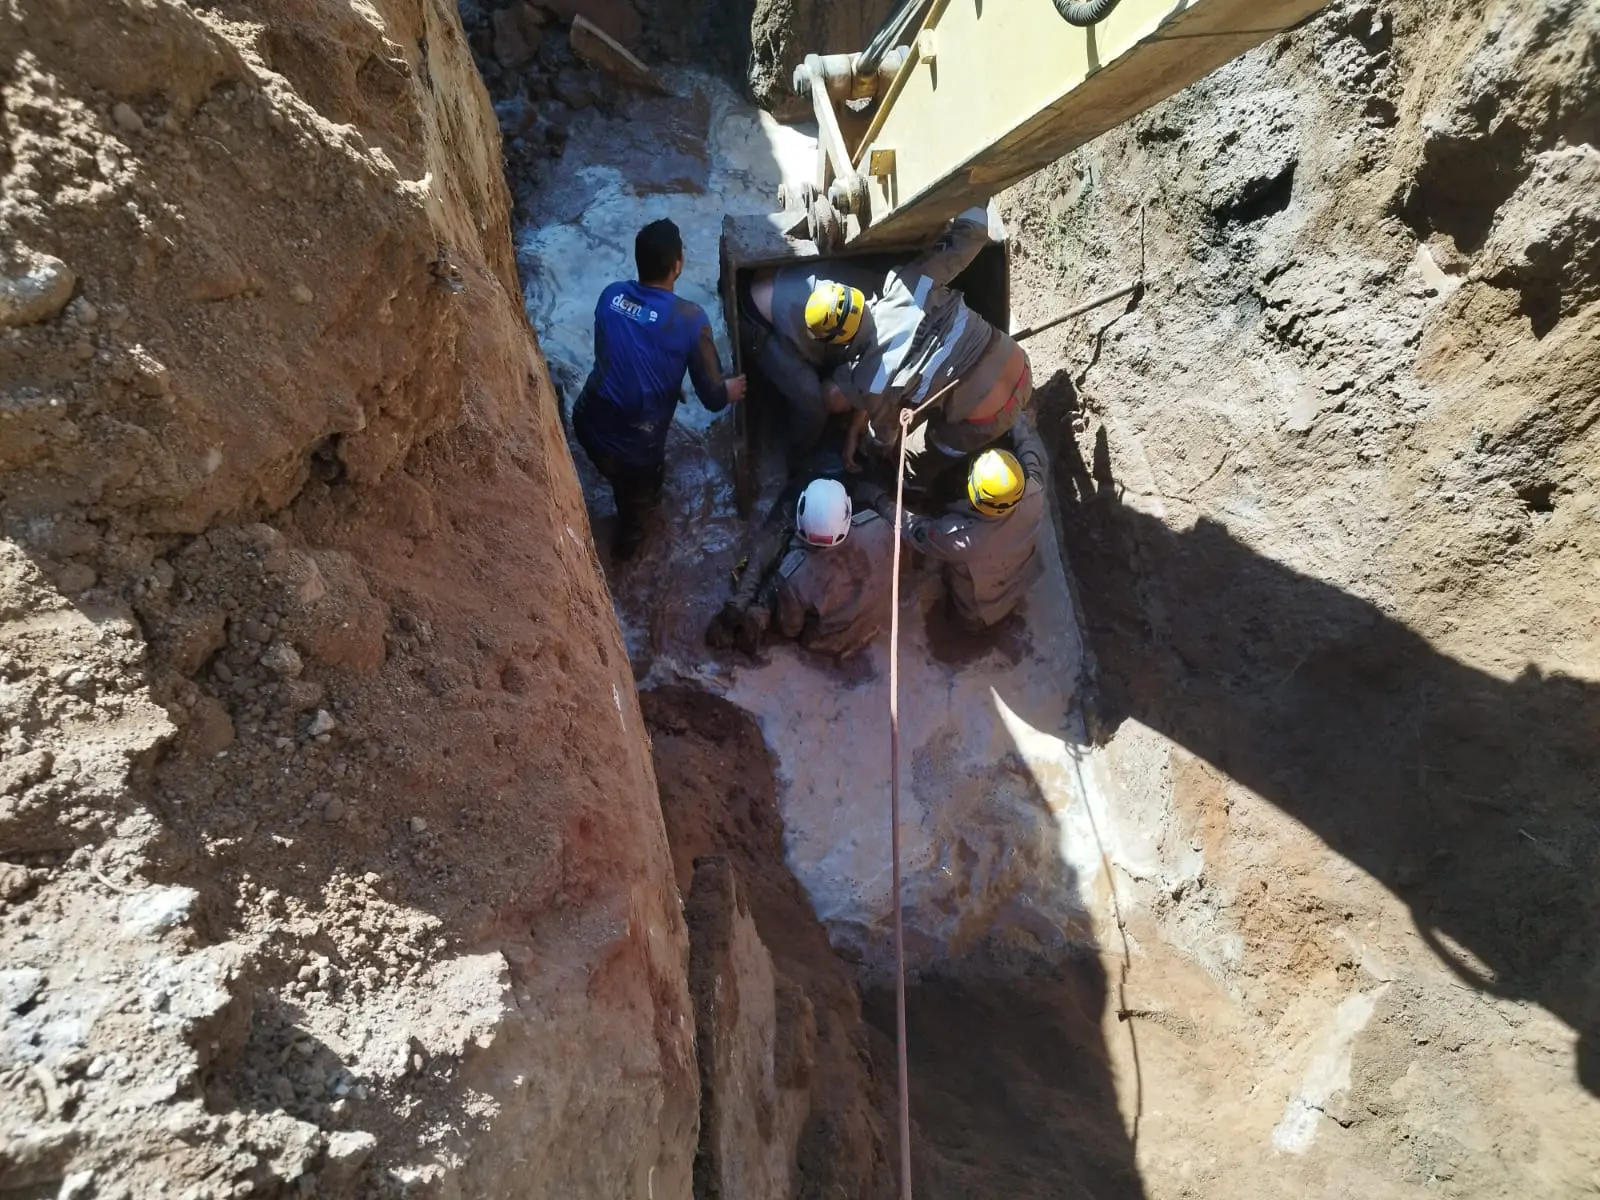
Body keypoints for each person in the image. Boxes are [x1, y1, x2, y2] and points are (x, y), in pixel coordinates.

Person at [822, 204, 1032, 494]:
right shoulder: (910, 283)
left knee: (914, 456)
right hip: (1021, 368)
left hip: (990, 421)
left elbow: (887, 436)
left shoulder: (870, 379)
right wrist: (973, 194)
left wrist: (869, 445)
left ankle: (918, 489)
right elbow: (970, 238)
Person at [571, 218, 746, 560]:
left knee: (616, 471)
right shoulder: (691, 319)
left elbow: (613, 356)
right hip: (635, 452)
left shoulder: (611, 296)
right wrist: (730, 389)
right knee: (638, 507)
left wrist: (667, 380)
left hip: (587, 424)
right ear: (677, 266)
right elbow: (711, 398)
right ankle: (625, 549)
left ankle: (611, 484)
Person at [854, 412, 1047, 631]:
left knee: (963, 619)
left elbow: (912, 528)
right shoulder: (1034, 491)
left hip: (977, 611)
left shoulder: (960, 539)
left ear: (973, 492)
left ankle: (963, 629)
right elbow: (1027, 445)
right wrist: (1012, 415)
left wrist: (877, 499)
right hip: (1020, 580)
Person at [706, 477, 894, 661]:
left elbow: (790, 629)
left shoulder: (796, 576)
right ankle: (747, 610)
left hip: (824, 640)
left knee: (780, 575)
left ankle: (753, 609)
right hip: (872, 622)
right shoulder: (880, 527)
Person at [736, 262, 886, 456]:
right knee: (813, 408)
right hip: (756, 321)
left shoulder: (854, 284)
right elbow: (829, 392)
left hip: (777, 281)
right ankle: (796, 454)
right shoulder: (807, 324)